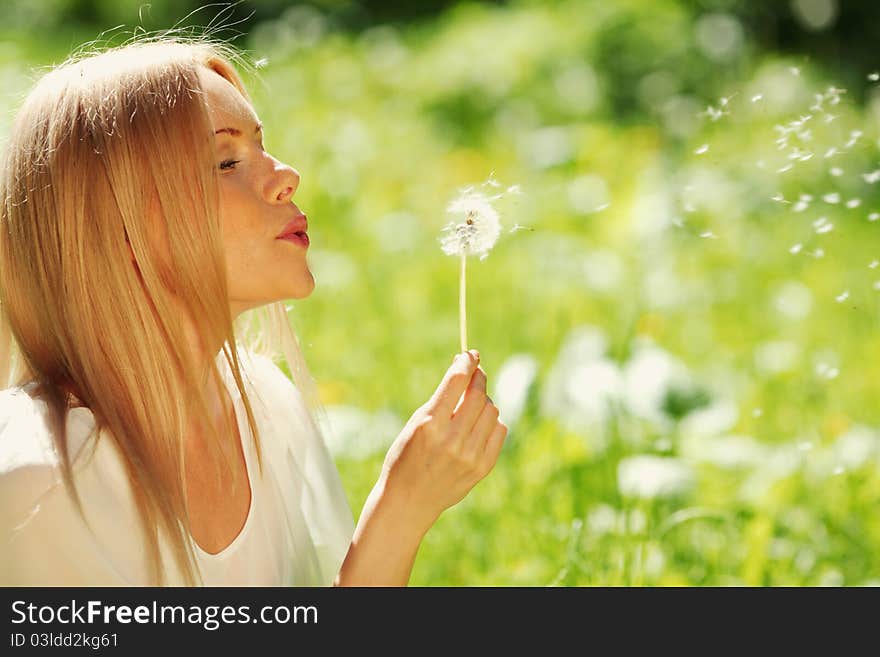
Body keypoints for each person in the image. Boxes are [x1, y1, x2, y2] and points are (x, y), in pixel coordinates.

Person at [0, 37, 507, 586]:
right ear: (118, 229)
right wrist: (397, 511)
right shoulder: (39, 480)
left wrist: (405, 512)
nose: (287, 175)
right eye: (225, 162)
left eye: (263, 148)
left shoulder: (267, 411)